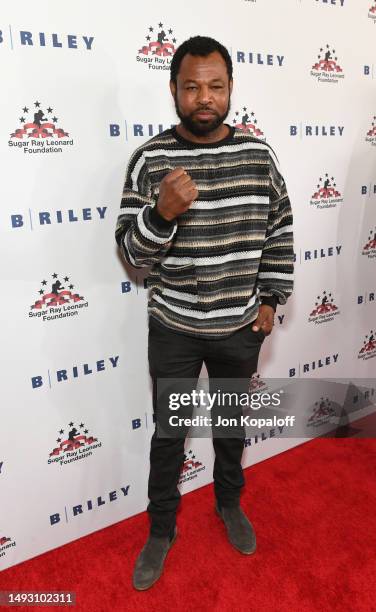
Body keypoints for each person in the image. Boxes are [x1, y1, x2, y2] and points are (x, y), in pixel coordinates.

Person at [115, 35, 294, 591]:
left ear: (231, 89)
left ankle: (229, 504)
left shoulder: (259, 156)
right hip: (173, 327)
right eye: (191, 86)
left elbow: (280, 230)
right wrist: (161, 214)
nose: (204, 98)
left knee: (230, 427)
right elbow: (132, 254)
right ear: (173, 90)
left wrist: (269, 299)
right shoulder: (149, 160)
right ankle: (161, 529)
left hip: (238, 327)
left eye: (215, 86)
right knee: (170, 435)